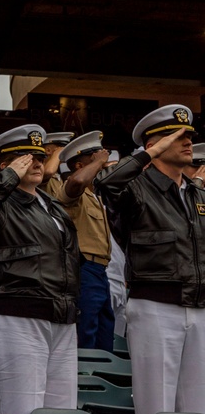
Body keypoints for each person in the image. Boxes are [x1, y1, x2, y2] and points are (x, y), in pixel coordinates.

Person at [0, 125, 81, 414]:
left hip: (60, 316)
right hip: (16, 313)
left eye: (40, 157)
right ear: (6, 165)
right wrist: (9, 176)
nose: (37, 162)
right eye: (26, 157)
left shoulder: (50, 205)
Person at [96, 105, 205, 414]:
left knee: (198, 412)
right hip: (156, 304)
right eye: (178, 136)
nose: (188, 143)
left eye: (190, 136)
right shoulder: (135, 188)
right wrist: (147, 154)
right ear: (154, 144)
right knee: (156, 407)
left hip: (199, 305)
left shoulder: (196, 194)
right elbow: (106, 184)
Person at [54, 131, 114, 351]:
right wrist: (99, 163)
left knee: (104, 335)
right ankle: (82, 383)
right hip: (84, 268)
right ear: (80, 164)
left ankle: (101, 380)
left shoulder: (95, 195)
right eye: (95, 158)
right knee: (85, 335)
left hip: (100, 271)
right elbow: (77, 181)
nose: (103, 161)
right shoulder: (73, 187)